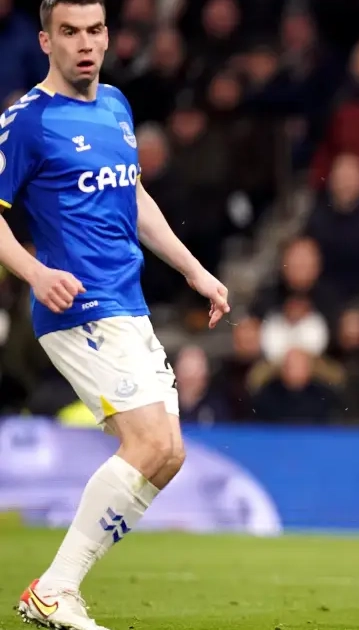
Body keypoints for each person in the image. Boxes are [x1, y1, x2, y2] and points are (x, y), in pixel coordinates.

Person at [2, 2, 230, 628]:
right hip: (78, 306)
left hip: (128, 303)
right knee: (150, 442)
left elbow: (132, 196)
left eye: (95, 30)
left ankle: (57, 587)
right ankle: (55, 590)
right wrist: (35, 272)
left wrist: (193, 270)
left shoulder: (117, 105)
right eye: (70, 32)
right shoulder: (27, 121)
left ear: (108, 37)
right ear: (45, 40)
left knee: (169, 453)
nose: (85, 43)